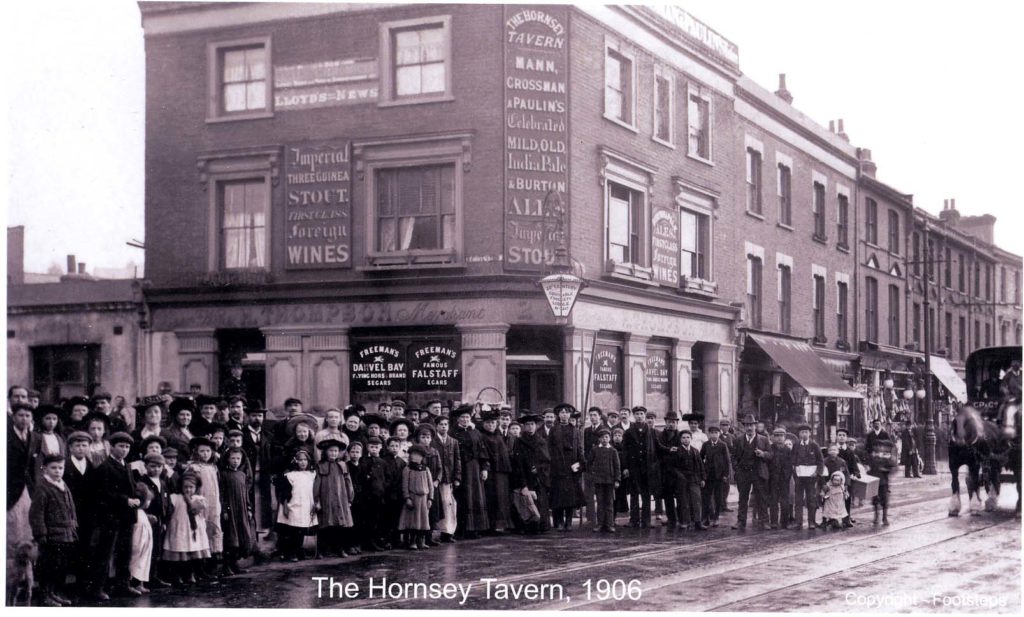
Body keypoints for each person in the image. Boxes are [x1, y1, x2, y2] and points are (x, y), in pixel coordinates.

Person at [90, 431, 142, 600]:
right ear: (111, 447)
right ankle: (97, 587)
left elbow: (133, 487)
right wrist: (126, 500)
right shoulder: (104, 467)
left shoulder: (127, 465)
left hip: (126, 517)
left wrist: (137, 498)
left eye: (127, 447)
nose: (124, 450)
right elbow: (103, 493)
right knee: (105, 552)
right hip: (111, 517)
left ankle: (123, 585)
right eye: (121, 446)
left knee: (124, 552)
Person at [30, 454, 78, 606]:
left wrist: (73, 525)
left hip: (65, 534)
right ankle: (45, 596)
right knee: (48, 566)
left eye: (60, 468)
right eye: (53, 468)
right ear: (45, 469)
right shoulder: (43, 488)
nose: (58, 471)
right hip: (51, 535)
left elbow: (71, 508)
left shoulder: (63, 485)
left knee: (59, 566)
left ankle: (54, 593)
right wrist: (41, 533)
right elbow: (36, 514)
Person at [63, 430, 98, 595]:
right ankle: (65, 586)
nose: (81, 449)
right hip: (70, 512)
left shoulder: (91, 466)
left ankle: (83, 584)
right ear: (70, 447)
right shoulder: (65, 466)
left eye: (84, 445)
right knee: (69, 547)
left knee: (86, 547)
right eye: (77, 445)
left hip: (88, 514)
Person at [163, 472, 212, 585]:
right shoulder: (175, 498)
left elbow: (196, 509)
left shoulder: (199, 499)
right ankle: (177, 575)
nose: (188, 490)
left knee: (192, 552)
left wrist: (189, 499)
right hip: (179, 529)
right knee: (179, 552)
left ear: (196, 488)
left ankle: (190, 574)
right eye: (185, 487)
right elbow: (169, 511)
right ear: (181, 487)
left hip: (192, 530)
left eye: (191, 487)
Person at [450, 404, 490, 539]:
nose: (465, 419)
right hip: (461, 468)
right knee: (463, 497)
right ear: (458, 419)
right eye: (462, 417)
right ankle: (462, 530)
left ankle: (475, 529)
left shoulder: (476, 432)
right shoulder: (453, 433)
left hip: (475, 468)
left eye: (467, 417)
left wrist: (484, 468)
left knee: (476, 497)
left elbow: (482, 450)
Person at [186, 436, 223, 579]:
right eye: (202, 451)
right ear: (196, 452)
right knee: (200, 533)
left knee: (213, 531)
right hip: (200, 504)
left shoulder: (213, 467)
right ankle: (199, 569)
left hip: (214, 505)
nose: (205, 454)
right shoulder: (194, 467)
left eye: (208, 451)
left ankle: (212, 567)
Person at [509, 412, 551, 534]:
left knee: (540, 500)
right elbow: (517, 461)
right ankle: (528, 525)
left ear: (536, 426)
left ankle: (541, 525)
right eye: (527, 424)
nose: (530, 427)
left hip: (538, 477)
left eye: (532, 424)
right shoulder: (519, 441)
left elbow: (546, 460)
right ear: (524, 427)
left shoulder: (541, 441)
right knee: (526, 501)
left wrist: (538, 468)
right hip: (525, 476)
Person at [313, 438, 355, 558]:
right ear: (325, 452)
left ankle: (340, 549)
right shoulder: (320, 466)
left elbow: (348, 482)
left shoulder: (342, 465)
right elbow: (317, 485)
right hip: (326, 499)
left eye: (336, 451)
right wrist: (317, 501)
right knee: (325, 525)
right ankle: (322, 550)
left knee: (340, 525)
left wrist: (350, 498)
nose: (333, 453)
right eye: (331, 451)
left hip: (341, 499)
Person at [275, 449, 317, 561]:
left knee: (302, 528)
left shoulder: (311, 475)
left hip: (306, 504)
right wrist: (285, 505)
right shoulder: (290, 475)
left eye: (305, 460)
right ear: (295, 461)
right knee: (292, 528)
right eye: (300, 460)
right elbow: (284, 492)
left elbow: (313, 490)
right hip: (293, 504)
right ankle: (290, 552)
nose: (303, 462)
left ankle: (299, 550)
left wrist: (315, 503)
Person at [731, 413, 771, 530]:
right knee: (743, 497)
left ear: (755, 426)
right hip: (743, 472)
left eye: (751, 425)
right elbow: (733, 456)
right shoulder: (738, 440)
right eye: (747, 425)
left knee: (762, 497)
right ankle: (741, 521)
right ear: (744, 427)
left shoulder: (764, 439)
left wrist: (763, 454)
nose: (749, 428)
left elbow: (770, 454)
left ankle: (764, 521)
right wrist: (736, 469)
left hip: (758, 472)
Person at [8, 403, 40, 554]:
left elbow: (35, 465)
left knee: (27, 525)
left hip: (28, 487)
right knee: (12, 525)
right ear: (13, 417)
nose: (24, 419)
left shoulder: (35, 438)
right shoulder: (6, 436)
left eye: (28, 416)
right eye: (20, 415)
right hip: (9, 488)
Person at [622, 406, 661, 528]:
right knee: (634, 494)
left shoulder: (652, 431)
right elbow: (625, 451)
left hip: (647, 467)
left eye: (641, 414)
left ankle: (646, 520)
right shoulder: (628, 432)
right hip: (634, 468)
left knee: (646, 494)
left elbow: (658, 448)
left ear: (645, 415)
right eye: (637, 414)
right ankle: (633, 520)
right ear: (634, 416)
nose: (639, 416)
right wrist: (626, 467)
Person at [548, 403, 584, 531]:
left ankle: (568, 522)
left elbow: (579, 448)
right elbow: (549, 448)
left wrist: (580, 462)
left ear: (570, 415)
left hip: (571, 467)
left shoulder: (575, 430)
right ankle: (558, 521)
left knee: (570, 497)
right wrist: (553, 463)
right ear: (558, 415)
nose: (564, 415)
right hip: (558, 466)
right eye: (562, 412)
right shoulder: (554, 429)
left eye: (567, 412)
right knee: (558, 496)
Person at [219, 447, 256, 574]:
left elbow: (246, 494)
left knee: (241, 536)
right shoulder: (223, 474)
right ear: (227, 459)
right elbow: (222, 494)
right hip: (230, 511)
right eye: (233, 458)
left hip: (241, 510)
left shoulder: (242, 475)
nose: (235, 461)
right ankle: (226, 565)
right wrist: (224, 510)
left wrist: (249, 508)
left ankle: (235, 564)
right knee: (230, 537)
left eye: (238, 458)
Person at [241, 404, 276, 536]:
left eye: (260, 416)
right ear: (248, 417)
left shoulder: (268, 436)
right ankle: (250, 536)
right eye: (254, 415)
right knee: (248, 504)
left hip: (264, 476)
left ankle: (262, 536)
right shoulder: (242, 435)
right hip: (248, 475)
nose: (257, 419)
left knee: (263, 504)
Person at [138, 453, 172, 588]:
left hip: (159, 522)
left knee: (156, 550)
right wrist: (147, 515)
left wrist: (164, 521)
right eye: (152, 466)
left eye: (159, 466)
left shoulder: (163, 483)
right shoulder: (143, 482)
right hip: (147, 521)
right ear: (146, 466)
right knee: (145, 550)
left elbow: (166, 502)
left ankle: (154, 577)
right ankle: (141, 580)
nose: (156, 469)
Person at [479, 410, 512, 534]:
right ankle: (489, 526)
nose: (491, 425)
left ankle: (499, 525)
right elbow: (484, 454)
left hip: (502, 471)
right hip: (491, 472)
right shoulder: (482, 436)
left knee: (501, 499)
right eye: (488, 423)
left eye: (493, 423)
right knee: (491, 498)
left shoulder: (498, 435)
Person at [430, 415, 461, 543]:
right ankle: (434, 531)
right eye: (441, 424)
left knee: (449, 504)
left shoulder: (453, 442)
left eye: (446, 424)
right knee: (437, 504)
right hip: (436, 478)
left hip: (448, 478)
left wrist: (457, 477)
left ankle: (448, 532)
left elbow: (457, 460)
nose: (444, 427)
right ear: (436, 426)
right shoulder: (432, 441)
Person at [398, 444, 434, 550]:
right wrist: (407, 498)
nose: (414, 457)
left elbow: (430, 485)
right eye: (412, 454)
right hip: (413, 498)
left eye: (417, 455)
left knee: (423, 521)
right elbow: (404, 485)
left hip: (424, 499)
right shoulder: (407, 469)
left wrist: (430, 498)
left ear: (422, 457)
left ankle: (420, 541)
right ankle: (411, 541)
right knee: (413, 521)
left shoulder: (426, 469)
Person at [791, 422, 824, 531]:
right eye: (802, 432)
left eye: (806, 432)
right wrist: (795, 470)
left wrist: (817, 473)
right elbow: (793, 459)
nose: (804, 434)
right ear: (799, 434)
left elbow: (820, 461)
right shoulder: (796, 445)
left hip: (811, 477)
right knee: (798, 499)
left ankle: (811, 522)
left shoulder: (814, 445)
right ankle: (798, 522)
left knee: (811, 499)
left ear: (809, 433)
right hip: (799, 477)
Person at [586, 426, 620, 533]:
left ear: (609, 438)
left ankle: (609, 524)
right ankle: (600, 524)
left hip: (609, 481)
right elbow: (589, 464)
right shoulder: (595, 450)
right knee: (600, 502)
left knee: (609, 503)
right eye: (602, 437)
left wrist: (617, 480)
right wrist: (593, 474)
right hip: (599, 481)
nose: (604, 439)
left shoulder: (613, 451)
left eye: (606, 437)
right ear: (599, 439)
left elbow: (617, 466)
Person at [670, 429, 706, 531]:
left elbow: (700, 465)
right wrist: (680, 476)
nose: (686, 440)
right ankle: (685, 522)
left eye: (688, 437)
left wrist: (703, 478)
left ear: (691, 438)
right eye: (683, 438)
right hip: (682, 480)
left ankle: (698, 522)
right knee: (683, 500)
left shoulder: (695, 451)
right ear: (680, 439)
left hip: (694, 479)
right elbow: (672, 467)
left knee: (697, 500)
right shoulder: (676, 451)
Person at [655, 410, 683, 528]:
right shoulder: (660, 436)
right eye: (669, 422)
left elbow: (682, 450)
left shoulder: (681, 435)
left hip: (678, 470)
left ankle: (681, 518)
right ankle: (671, 518)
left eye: (673, 422)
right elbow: (658, 450)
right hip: (665, 470)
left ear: (676, 423)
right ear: (665, 422)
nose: (671, 424)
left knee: (681, 495)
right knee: (668, 496)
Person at [700, 425, 731, 527]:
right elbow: (701, 458)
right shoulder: (706, 445)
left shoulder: (723, 445)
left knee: (718, 497)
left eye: (716, 433)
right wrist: (703, 473)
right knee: (706, 497)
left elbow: (727, 461)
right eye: (712, 433)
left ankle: (716, 517)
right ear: (709, 434)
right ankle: (706, 517)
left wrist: (726, 474)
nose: (714, 435)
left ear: (719, 434)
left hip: (719, 475)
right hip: (708, 475)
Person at [581, 407, 606, 528]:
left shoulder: (604, 430)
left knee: (600, 494)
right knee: (588, 493)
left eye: (595, 415)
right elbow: (584, 448)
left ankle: (601, 519)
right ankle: (590, 517)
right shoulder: (586, 431)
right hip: (589, 466)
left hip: (601, 467)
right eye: (590, 415)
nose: (592, 417)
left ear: (600, 416)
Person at [128, 482, 155, 594]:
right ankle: (134, 583)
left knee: (142, 561)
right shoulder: (138, 514)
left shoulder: (142, 513)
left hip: (145, 543)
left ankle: (140, 583)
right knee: (136, 561)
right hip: (140, 543)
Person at [766, 428, 793, 530]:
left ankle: (784, 522)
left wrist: (787, 476)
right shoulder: (770, 449)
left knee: (784, 501)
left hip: (784, 479)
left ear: (784, 437)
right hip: (773, 479)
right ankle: (773, 521)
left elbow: (790, 465)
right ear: (773, 437)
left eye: (781, 436)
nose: (779, 438)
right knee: (773, 500)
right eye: (776, 436)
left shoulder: (788, 450)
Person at [32, 404, 67, 482]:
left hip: (57, 473)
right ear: (41, 420)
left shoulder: (59, 438)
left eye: (54, 419)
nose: (51, 422)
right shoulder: (36, 437)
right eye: (48, 418)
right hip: (41, 473)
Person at [867, 439, 896, 525]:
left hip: (883, 482)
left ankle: (884, 517)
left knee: (884, 499)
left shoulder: (886, 458)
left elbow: (893, 468)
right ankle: (876, 516)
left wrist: (886, 469)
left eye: (881, 447)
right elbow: (868, 468)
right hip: (873, 481)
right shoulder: (872, 458)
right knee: (875, 499)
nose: (879, 449)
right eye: (877, 447)